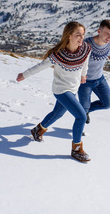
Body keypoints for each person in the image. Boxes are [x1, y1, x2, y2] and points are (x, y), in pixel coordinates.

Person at [16, 21, 92, 162]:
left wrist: (83, 75)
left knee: (57, 114)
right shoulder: (58, 55)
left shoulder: (85, 49)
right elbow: (40, 66)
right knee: (81, 116)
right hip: (61, 90)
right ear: (69, 36)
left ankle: (38, 130)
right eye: (78, 35)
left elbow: (85, 61)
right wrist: (24, 75)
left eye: (83, 35)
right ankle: (76, 149)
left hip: (73, 88)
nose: (81, 38)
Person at [78, 19, 110, 125]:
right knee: (83, 111)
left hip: (100, 79)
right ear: (99, 31)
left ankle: (84, 111)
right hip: (84, 82)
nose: (109, 37)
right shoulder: (86, 44)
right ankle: (78, 134)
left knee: (107, 103)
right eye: (107, 33)